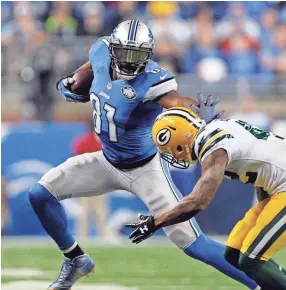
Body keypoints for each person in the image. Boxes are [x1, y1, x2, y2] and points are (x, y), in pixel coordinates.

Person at [28, 20, 258, 290]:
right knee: (39, 194)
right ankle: (76, 259)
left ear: (148, 55)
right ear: (113, 48)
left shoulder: (152, 80)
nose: (130, 61)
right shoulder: (100, 51)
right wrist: (73, 82)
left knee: (196, 245)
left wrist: (200, 115)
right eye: (125, 53)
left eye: (137, 55)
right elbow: (91, 70)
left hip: (145, 170)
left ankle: (260, 284)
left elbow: (177, 101)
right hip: (106, 161)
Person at [127, 107, 286, 289]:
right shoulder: (219, 129)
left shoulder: (213, 148)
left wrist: (155, 222)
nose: (174, 155)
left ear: (179, 140)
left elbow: (197, 202)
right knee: (234, 252)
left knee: (252, 259)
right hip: (279, 189)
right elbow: (264, 163)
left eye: (171, 149)